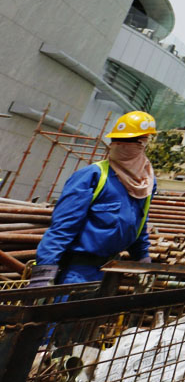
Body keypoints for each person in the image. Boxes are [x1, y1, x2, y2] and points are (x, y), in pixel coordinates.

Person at [29, 111, 158, 286]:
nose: (122, 146)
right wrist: (44, 271)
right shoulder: (92, 176)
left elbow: (139, 223)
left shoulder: (145, 183)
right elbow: (62, 227)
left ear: (143, 144)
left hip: (111, 270)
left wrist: (142, 257)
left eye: (133, 141)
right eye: (118, 141)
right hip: (77, 272)